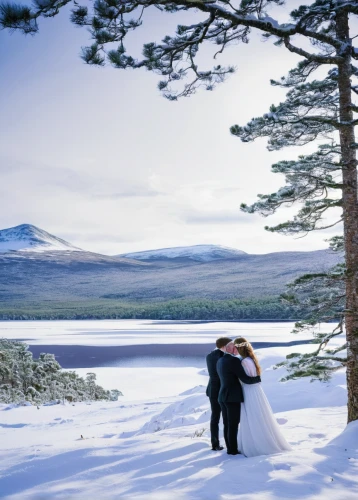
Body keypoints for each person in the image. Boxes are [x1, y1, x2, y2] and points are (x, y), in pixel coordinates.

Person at [234, 337, 292, 457]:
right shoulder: (251, 359)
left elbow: (244, 379)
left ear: (239, 347)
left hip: (248, 390)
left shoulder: (243, 362)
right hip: (255, 390)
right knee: (259, 415)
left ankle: (255, 445)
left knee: (251, 416)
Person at [216, 342, 261, 455]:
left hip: (222, 396)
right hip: (232, 397)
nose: (237, 349)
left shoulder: (220, 360)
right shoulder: (234, 361)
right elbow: (245, 379)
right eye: (235, 347)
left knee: (227, 424)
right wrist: (257, 379)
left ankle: (229, 448)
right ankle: (233, 451)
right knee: (233, 424)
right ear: (231, 349)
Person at [206, 337, 232, 451]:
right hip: (222, 390)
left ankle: (215, 444)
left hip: (212, 389)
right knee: (226, 417)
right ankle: (229, 443)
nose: (232, 347)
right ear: (224, 346)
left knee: (215, 417)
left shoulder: (209, 356)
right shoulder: (225, 357)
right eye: (230, 344)